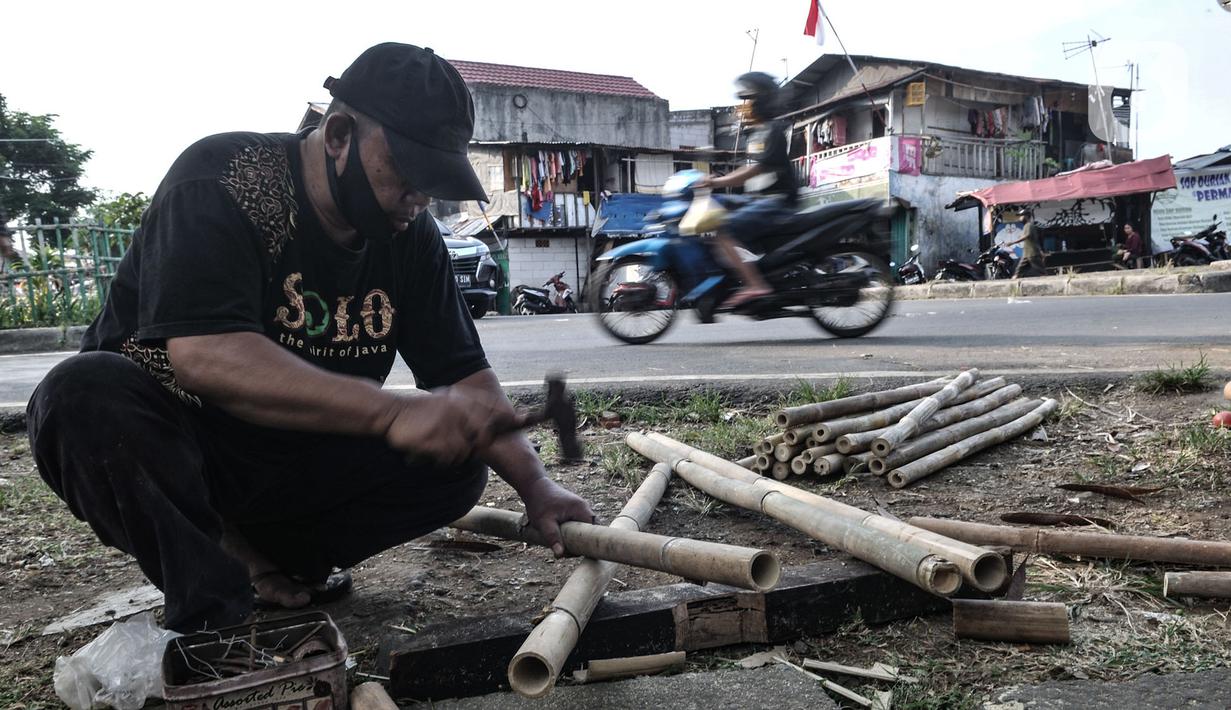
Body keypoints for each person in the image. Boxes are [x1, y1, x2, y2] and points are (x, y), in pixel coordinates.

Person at [25, 43, 594, 633]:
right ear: (340, 135)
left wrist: (537, 486)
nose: (421, 197)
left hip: (289, 459)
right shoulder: (223, 179)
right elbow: (205, 356)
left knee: (456, 466)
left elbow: (465, 379)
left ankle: (279, 558)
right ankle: (212, 592)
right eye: (407, 172)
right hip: (182, 449)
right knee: (79, 392)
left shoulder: (410, 236)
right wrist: (390, 413)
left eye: (432, 180)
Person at [696, 72, 799, 308]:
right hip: (759, 200)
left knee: (721, 229)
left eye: (747, 99)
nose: (742, 106)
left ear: (762, 100)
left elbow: (756, 169)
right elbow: (750, 167)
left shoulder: (773, 131)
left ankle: (755, 284)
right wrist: (718, 179)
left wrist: (717, 183)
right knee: (715, 209)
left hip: (778, 202)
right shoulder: (757, 133)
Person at [1002, 211, 1046, 278]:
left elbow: (1026, 236)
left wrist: (1013, 242)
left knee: (1041, 272)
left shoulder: (1029, 225)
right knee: (1018, 272)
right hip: (1026, 255)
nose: (1020, 218)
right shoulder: (1026, 226)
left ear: (1026, 216)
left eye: (1021, 216)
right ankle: (1014, 282)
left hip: (1033, 254)